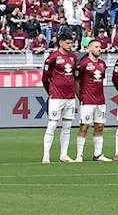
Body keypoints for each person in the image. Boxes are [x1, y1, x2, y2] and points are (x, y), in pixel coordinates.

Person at [42, 34, 79, 164]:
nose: (70, 45)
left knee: (67, 126)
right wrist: (51, 91)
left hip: (70, 96)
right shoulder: (52, 57)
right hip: (57, 96)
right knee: (52, 124)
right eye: (68, 43)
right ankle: (46, 155)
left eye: (71, 43)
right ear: (61, 43)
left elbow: (74, 76)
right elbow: (45, 78)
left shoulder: (73, 57)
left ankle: (64, 155)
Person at [74, 39, 109, 162]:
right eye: (96, 47)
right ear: (89, 49)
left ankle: (98, 154)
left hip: (100, 99)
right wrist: (81, 97)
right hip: (87, 99)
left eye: (100, 47)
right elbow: (76, 81)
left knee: (99, 126)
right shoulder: (83, 64)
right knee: (84, 126)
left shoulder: (102, 64)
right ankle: (79, 155)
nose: (99, 49)